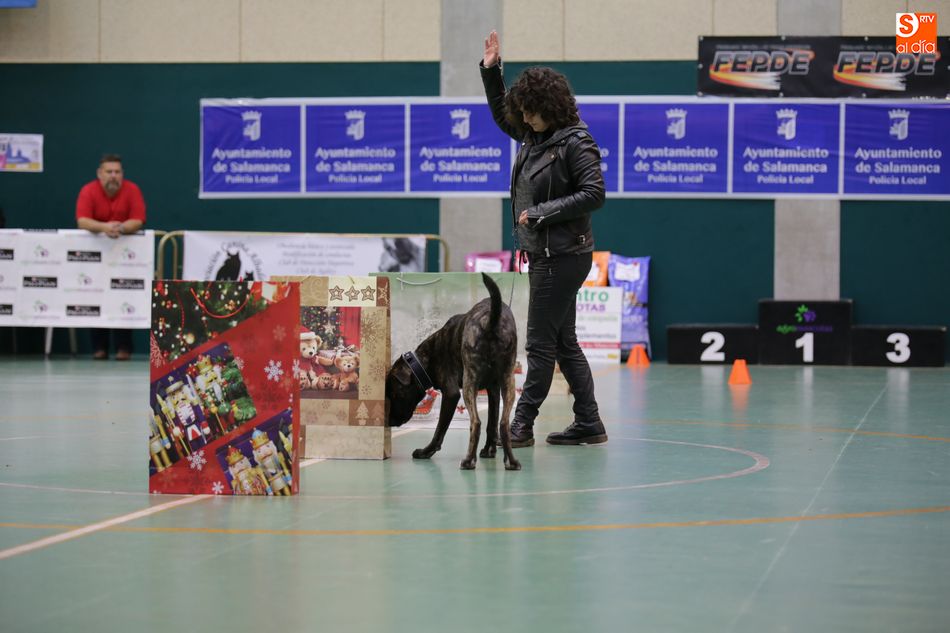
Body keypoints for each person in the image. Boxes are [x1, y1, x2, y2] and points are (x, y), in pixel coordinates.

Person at [480, 30, 608, 447]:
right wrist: (492, 71)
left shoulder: (576, 142)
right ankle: (589, 422)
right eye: (524, 113)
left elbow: (594, 194)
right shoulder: (535, 136)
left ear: (550, 109)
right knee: (563, 341)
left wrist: (539, 213)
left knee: (539, 345)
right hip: (547, 254)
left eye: (532, 112)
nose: (525, 119)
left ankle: (521, 426)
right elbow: (504, 115)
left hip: (564, 255)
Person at [75, 154, 146, 360]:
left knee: (124, 298)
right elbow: (83, 220)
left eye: (117, 172)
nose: (113, 176)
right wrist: (105, 227)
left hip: (126, 260)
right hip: (94, 259)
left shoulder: (132, 190)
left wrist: (121, 227)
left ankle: (124, 348)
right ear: (100, 174)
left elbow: (138, 220)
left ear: (122, 174)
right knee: (95, 297)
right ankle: (99, 348)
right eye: (109, 172)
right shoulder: (88, 191)